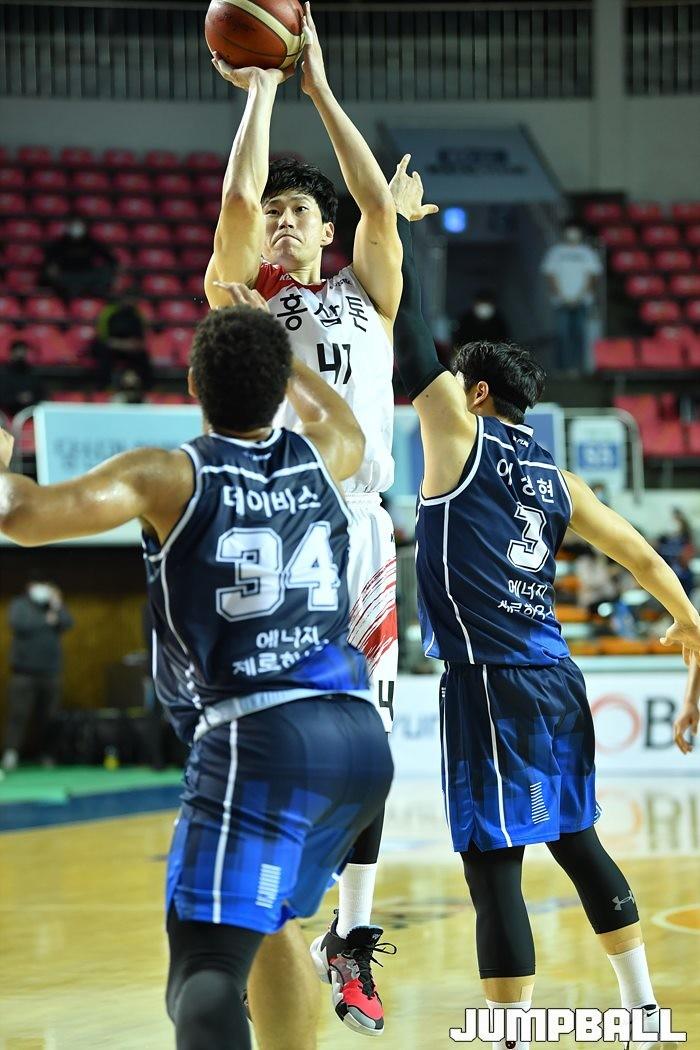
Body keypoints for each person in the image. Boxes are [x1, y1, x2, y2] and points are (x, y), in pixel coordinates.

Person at [0, 295, 394, 1050]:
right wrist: (285, 363)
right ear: (279, 387)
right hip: (354, 735)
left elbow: (21, 515)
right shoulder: (325, 454)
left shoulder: (166, 475)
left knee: (204, 972)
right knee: (271, 921)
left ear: (191, 384)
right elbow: (341, 418)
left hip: (258, 735)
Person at [389, 154, 700, 1050]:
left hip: (490, 683)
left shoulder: (460, 438)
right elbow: (643, 554)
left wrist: (397, 229)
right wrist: (687, 619)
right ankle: (643, 1016)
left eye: (456, 388)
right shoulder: (562, 481)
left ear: (478, 393)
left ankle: (511, 1038)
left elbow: (412, 340)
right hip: (556, 677)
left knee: (493, 868)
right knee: (578, 841)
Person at [205, 5, 411, 1036]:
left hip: (364, 532)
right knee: (285, 736)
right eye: (276, 212)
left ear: (326, 231)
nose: (282, 222)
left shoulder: (371, 291)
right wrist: (261, 93)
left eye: (300, 212)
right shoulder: (248, 302)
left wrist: (319, 86)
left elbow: (376, 204)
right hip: (285, 528)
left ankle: (351, 936)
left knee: (373, 747)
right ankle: (267, 915)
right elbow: (236, 203)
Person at [1, 576, 73, 773]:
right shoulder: (20, 605)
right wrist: (45, 620)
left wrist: (57, 605)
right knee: (18, 715)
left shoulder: (52, 606)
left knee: (49, 717)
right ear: (30, 586)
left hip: (50, 673)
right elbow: (18, 624)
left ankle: (47, 754)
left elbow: (68, 622)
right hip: (23, 673)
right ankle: (11, 753)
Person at [541, 219, 602, 374]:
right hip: (561, 302)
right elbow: (550, 275)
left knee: (579, 335)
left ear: (580, 233)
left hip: (581, 302)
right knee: (561, 334)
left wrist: (579, 297)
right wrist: (562, 296)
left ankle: (577, 368)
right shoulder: (556, 252)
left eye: (575, 230)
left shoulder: (587, 252)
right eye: (570, 230)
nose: (572, 233)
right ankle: (561, 368)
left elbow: (592, 276)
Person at [42, 218, 117, 300]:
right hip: (67, 275)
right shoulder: (60, 243)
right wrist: (52, 268)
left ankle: (96, 296)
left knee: (105, 271)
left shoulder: (91, 242)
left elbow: (109, 258)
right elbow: (49, 260)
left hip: (88, 274)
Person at [92, 297, 152, 390]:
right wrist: (121, 344)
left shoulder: (137, 315)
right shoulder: (110, 313)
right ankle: (103, 387)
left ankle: (146, 388)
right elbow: (104, 338)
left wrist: (133, 345)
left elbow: (142, 338)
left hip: (131, 348)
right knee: (103, 355)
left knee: (143, 356)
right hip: (112, 347)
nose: (129, 302)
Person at [0, 340, 45, 418]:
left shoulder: (32, 373)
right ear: (11, 353)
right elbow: (2, 397)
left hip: (31, 414)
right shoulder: (3, 374)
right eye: (17, 352)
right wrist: (18, 398)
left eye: (23, 352)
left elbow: (42, 394)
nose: (20, 355)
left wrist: (30, 397)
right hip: (8, 415)